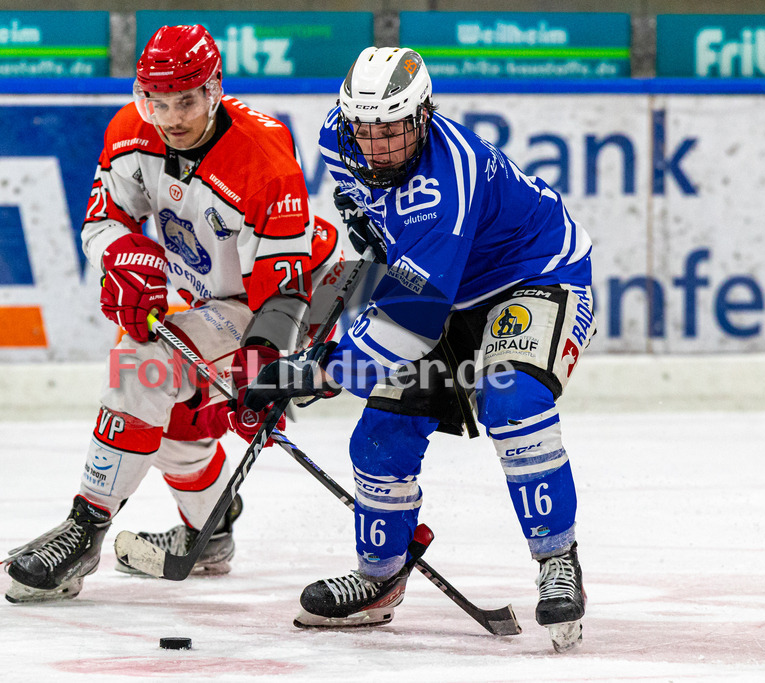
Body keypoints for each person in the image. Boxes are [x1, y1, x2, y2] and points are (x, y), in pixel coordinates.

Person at [244, 47, 594, 652]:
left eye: (393, 131)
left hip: (533, 276)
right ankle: (379, 578)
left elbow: (411, 321)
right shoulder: (337, 138)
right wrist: (365, 219)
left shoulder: (447, 177)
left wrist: (321, 370)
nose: (378, 147)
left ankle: (557, 559)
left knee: (512, 400)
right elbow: (365, 207)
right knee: (381, 435)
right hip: (443, 290)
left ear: (424, 116)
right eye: (366, 130)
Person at [2, 24, 342, 603]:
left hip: (295, 298)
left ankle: (84, 531)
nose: (171, 117)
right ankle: (211, 529)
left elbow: (279, 292)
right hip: (216, 300)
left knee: (141, 367)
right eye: (157, 102)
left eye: (185, 101)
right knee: (171, 422)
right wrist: (120, 258)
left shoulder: (263, 154)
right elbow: (103, 220)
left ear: (213, 89)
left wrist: (265, 371)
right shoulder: (131, 132)